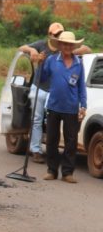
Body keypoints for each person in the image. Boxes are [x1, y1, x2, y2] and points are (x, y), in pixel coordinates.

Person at [16, 22, 88, 163]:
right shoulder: (42, 45)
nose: (59, 36)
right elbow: (22, 47)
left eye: (60, 33)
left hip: (53, 91)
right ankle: (36, 150)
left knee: (48, 120)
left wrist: (72, 50)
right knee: (37, 119)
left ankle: (50, 151)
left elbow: (87, 49)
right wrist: (32, 51)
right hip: (39, 87)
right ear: (50, 35)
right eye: (56, 35)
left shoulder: (66, 51)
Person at [38, 30, 88, 183]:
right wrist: (39, 64)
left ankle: (67, 173)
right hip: (53, 106)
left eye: (70, 45)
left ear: (73, 47)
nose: (67, 47)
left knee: (71, 141)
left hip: (71, 108)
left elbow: (81, 87)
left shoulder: (79, 63)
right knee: (52, 140)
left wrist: (83, 106)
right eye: (64, 44)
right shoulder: (52, 60)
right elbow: (42, 78)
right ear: (59, 45)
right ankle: (52, 170)